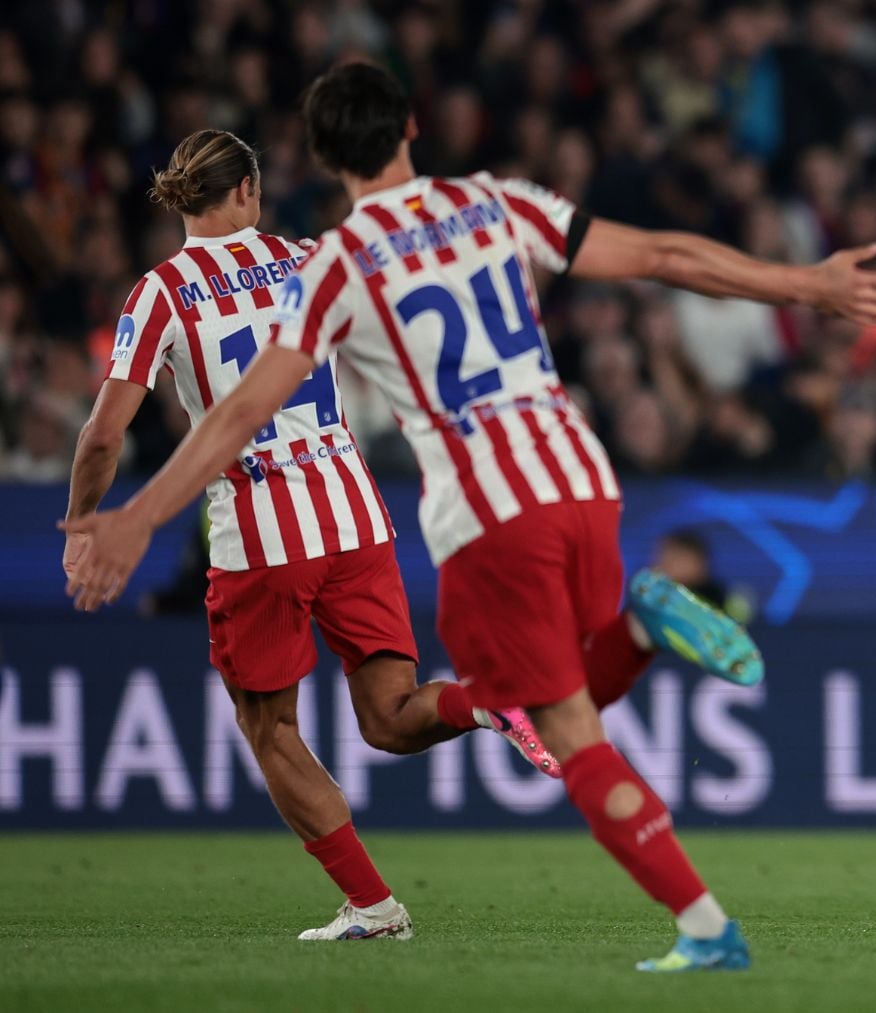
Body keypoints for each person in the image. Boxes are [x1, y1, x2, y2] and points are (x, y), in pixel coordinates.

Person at [64, 62, 876, 970]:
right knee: (431, 711)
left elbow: (227, 416)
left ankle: (432, 890)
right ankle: (687, 892)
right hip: (564, 476)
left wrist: (131, 517)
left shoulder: (334, 265)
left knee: (335, 725)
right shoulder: (485, 206)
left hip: (438, 515)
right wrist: (804, 286)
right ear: (412, 129)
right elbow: (666, 256)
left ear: (321, 157)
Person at [63, 129, 560, 943]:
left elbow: (103, 435)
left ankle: (374, 906)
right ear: (248, 192)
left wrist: (87, 524)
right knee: (392, 715)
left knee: (271, 729)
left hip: (261, 535)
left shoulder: (160, 292)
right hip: (354, 514)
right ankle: (487, 700)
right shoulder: (307, 260)